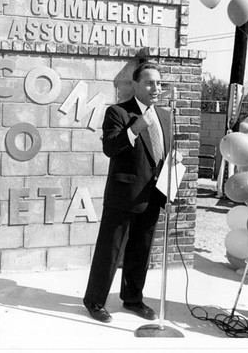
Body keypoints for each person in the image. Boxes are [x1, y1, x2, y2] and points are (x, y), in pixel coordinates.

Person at [83, 62, 171, 323]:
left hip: (152, 195)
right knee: (109, 251)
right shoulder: (118, 112)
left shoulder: (166, 116)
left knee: (141, 250)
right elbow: (110, 148)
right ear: (135, 85)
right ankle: (94, 301)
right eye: (149, 83)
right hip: (123, 195)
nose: (156, 88)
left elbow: (164, 154)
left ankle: (133, 298)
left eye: (158, 83)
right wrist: (135, 128)